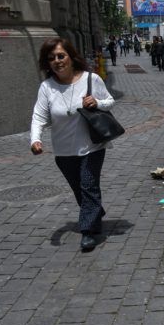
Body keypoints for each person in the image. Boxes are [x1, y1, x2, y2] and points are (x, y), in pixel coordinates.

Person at [30, 38, 115, 251]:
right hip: (63, 150)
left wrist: (97, 102)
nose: (57, 61)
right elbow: (39, 116)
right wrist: (35, 139)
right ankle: (95, 213)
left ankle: (87, 232)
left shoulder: (91, 79)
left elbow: (109, 101)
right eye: (52, 58)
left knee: (88, 185)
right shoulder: (47, 87)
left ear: (70, 57)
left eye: (61, 56)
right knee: (80, 189)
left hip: (91, 146)